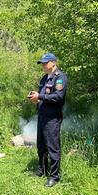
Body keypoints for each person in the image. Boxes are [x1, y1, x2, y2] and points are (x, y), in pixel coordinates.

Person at [28, 53, 68, 187]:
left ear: (53, 62)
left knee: (53, 147)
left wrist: (40, 96)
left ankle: (54, 176)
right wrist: (36, 98)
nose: (43, 66)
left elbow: (58, 97)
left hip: (52, 117)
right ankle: (42, 170)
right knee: (41, 145)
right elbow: (43, 95)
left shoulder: (60, 78)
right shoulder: (45, 78)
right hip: (42, 115)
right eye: (42, 63)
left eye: (45, 63)